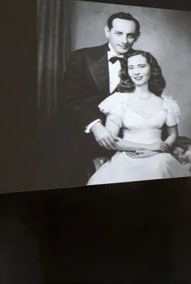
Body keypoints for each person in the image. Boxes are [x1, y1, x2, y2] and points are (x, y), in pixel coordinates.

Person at [87, 50, 191, 184]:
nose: (136, 72)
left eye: (141, 66)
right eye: (131, 68)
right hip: (127, 157)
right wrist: (148, 147)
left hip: (159, 157)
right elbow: (112, 140)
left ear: (152, 69)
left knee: (159, 167)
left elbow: (173, 135)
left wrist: (160, 148)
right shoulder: (119, 101)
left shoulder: (166, 102)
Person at [57, 11, 141, 180]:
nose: (124, 41)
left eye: (130, 36)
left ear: (137, 37)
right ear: (107, 31)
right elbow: (68, 100)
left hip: (123, 132)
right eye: (119, 34)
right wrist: (95, 126)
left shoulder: (142, 61)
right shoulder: (81, 57)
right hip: (83, 128)